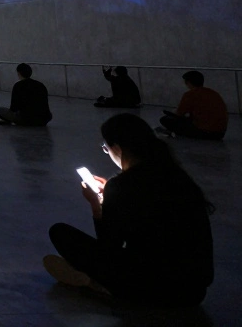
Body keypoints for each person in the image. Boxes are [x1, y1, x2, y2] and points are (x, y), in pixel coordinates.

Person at [44, 114, 214, 306]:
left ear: (117, 147)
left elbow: (109, 247)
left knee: (60, 232)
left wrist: (97, 205)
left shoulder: (122, 186)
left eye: (106, 149)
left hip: (147, 288)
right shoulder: (178, 178)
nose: (107, 153)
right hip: (193, 293)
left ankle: (98, 284)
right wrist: (111, 196)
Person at [159, 71, 228, 140]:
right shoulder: (213, 93)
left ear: (188, 82)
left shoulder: (189, 94)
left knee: (165, 119)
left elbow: (179, 113)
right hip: (220, 133)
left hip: (205, 132)